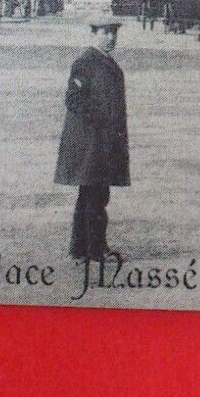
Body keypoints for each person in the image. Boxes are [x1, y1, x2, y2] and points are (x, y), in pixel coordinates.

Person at [54, 16, 131, 261]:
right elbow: (73, 99)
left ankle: (80, 247)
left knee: (91, 192)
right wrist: (100, 121)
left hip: (102, 140)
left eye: (113, 33)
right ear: (93, 34)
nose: (111, 37)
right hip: (91, 141)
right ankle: (94, 250)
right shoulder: (85, 62)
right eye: (105, 33)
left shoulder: (106, 62)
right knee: (96, 194)